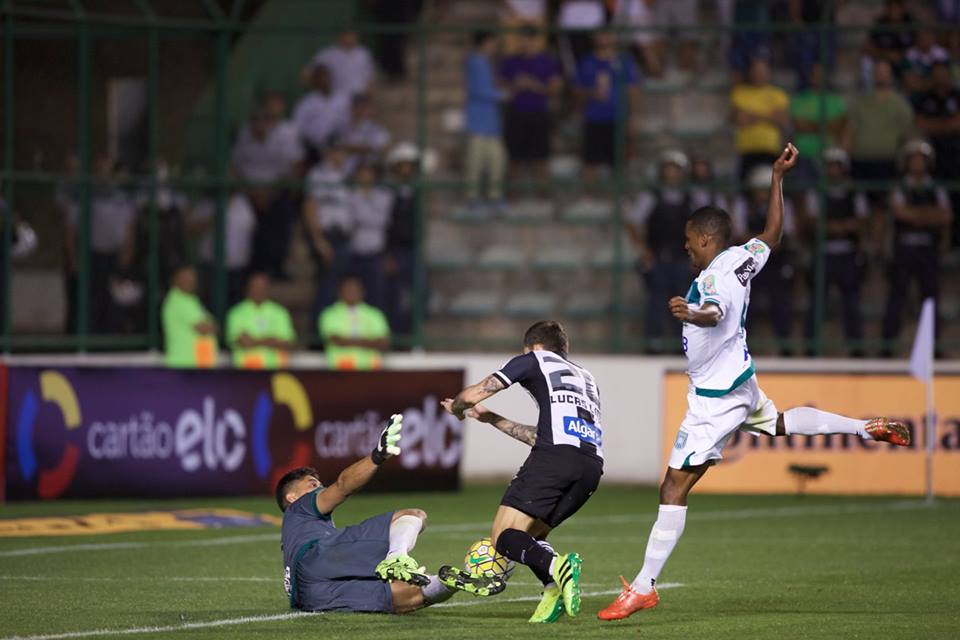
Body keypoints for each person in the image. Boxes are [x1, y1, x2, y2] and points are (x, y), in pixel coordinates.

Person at [597, 145, 911, 621]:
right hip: (742, 380)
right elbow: (773, 233)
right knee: (779, 422)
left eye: (688, 239)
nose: (684, 246)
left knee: (673, 488)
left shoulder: (708, 282)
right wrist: (776, 179)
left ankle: (643, 587)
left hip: (715, 399)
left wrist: (690, 311)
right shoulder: (742, 258)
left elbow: (715, 311)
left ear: (705, 239)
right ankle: (862, 427)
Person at [441, 320, 604, 623]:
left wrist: (459, 409)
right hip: (590, 468)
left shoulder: (533, 360)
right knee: (532, 535)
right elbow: (540, 435)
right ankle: (552, 591)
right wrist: (491, 419)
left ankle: (557, 567)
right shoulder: (586, 378)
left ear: (533, 346)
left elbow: (473, 393)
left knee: (504, 536)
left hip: (553, 461)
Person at [278, 414, 503, 614]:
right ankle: (397, 556)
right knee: (412, 515)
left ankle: (445, 583)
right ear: (292, 497)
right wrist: (377, 456)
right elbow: (343, 485)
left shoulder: (294, 532)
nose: (319, 487)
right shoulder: (301, 506)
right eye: (312, 484)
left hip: (307, 596)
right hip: (315, 557)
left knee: (406, 598)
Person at [626, 150, 709, 352]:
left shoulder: (694, 197)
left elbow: (705, 225)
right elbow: (632, 222)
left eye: (676, 170)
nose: (672, 174)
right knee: (656, 301)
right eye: (669, 169)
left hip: (684, 259)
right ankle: (652, 345)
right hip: (659, 257)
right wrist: (646, 251)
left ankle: (683, 346)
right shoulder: (651, 196)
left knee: (685, 303)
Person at [881, 140, 953, 355]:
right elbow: (899, 212)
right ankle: (888, 345)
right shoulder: (900, 186)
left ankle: (933, 347)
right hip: (904, 249)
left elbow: (946, 216)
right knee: (897, 297)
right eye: (913, 159)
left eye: (921, 159)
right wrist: (929, 216)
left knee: (930, 300)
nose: (917, 163)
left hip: (928, 250)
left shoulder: (936, 188)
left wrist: (916, 215)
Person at [802, 147, 868, 357]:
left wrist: (833, 226)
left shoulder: (854, 193)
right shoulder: (816, 193)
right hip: (824, 254)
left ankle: (856, 349)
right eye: (829, 166)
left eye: (836, 166)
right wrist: (840, 227)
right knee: (816, 304)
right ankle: (811, 348)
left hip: (848, 254)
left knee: (852, 303)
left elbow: (862, 222)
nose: (833, 170)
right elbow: (811, 223)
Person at [231, 93, 304, 280]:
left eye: (264, 122)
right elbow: (235, 168)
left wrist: (270, 193)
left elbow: (292, 169)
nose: (259, 126)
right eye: (255, 122)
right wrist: (251, 192)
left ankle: (277, 266)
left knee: (282, 216)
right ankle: (252, 268)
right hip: (248, 193)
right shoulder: (245, 137)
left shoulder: (281, 137)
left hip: (276, 192)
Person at [731, 164, 797, 356]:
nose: (761, 194)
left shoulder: (783, 205)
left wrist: (762, 241)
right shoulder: (743, 206)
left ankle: (785, 347)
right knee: (745, 305)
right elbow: (739, 235)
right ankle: (740, 349)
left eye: (765, 189)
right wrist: (766, 240)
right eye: (758, 189)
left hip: (774, 262)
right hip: (749, 264)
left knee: (780, 303)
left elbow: (786, 235)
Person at [843, 60, 915, 209]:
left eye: (884, 72)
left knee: (885, 207)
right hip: (861, 163)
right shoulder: (860, 104)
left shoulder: (900, 105)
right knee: (863, 207)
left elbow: (907, 136)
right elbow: (850, 134)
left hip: (888, 163)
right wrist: (845, 161)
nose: (881, 75)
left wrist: (904, 162)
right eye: (878, 72)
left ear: (890, 75)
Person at [574, 30, 642, 182]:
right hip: (594, 119)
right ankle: (590, 201)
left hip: (618, 119)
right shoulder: (587, 62)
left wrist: (634, 117)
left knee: (619, 165)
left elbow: (634, 91)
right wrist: (592, 92)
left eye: (607, 34)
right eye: (600, 34)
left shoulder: (625, 61)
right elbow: (577, 92)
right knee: (590, 164)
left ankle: (617, 202)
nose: (604, 38)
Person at [499, 25, 562, 188]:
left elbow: (555, 88)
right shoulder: (510, 61)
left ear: (535, 41)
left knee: (540, 160)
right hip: (516, 114)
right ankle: (511, 200)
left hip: (538, 114)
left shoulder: (547, 61)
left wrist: (535, 86)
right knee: (514, 160)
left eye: (527, 40)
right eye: (521, 40)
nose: (524, 43)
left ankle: (545, 199)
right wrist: (515, 85)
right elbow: (500, 87)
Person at [303, 144, 353, 321]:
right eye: (336, 151)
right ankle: (317, 337)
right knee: (327, 287)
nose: (339, 155)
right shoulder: (318, 174)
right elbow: (310, 206)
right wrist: (318, 240)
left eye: (342, 151)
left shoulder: (346, 173)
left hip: (344, 235)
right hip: (326, 235)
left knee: (340, 285)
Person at [913, 61, 960, 244]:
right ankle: (939, 246)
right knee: (935, 203)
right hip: (931, 161)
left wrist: (934, 125)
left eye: (943, 74)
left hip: (956, 159)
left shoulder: (957, 96)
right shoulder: (923, 99)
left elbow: (957, 124)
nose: (940, 79)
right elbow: (919, 125)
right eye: (936, 75)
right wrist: (948, 125)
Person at [464, 30, 507, 208]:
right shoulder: (475, 61)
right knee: (475, 161)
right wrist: (503, 95)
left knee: (498, 158)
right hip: (478, 119)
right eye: (493, 42)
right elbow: (480, 90)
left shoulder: (487, 63)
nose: (495, 46)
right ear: (485, 42)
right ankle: (472, 197)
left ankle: (494, 195)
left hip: (491, 121)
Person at [731, 56, 790, 182]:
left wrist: (752, 115)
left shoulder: (778, 94)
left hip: (771, 149)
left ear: (768, 73)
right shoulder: (740, 92)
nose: (759, 75)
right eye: (756, 72)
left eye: (762, 72)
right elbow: (741, 119)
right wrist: (767, 115)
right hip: (747, 149)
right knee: (746, 189)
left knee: (773, 188)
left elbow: (780, 119)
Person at [789, 62, 847, 189]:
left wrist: (812, 125)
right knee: (802, 189)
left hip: (830, 156)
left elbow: (839, 126)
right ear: (810, 77)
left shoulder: (835, 100)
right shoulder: (800, 99)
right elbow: (799, 125)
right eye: (815, 75)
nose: (818, 78)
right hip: (804, 155)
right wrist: (826, 125)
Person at [383, 143, 421, 338]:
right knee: (396, 297)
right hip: (396, 251)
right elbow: (385, 225)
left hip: (412, 251)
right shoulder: (388, 192)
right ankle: (396, 337)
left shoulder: (416, 191)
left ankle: (410, 337)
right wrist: (387, 254)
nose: (407, 169)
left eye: (410, 165)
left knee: (415, 296)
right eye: (403, 165)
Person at [346, 161, 394, 309]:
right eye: (362, 174)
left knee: (376, 295)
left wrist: (363, 217)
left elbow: (381, 220)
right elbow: (351, 219)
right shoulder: (350, 195)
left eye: (368, 174)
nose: (365, 177)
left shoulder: (385, 195)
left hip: (375, 253)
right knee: (353, 293)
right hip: (355, 252)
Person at [225, 272, 296, 369]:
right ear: (247, 288)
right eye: (255, 287)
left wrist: (255, 341)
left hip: (275, 373)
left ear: (269, 289)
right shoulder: (236, 313)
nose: (259, 291)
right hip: (245, 374)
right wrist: (270, 340)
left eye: (262, 287)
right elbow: (243, 342)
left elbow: (289, 343)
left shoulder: (280, 312)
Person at [319, 275, 390, 371]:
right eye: (348, 289)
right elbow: (335, 340)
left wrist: (348, 341)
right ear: (340, 292)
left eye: (355, 289)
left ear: (362, 292)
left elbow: (383, 342)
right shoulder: (330, 314)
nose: (352, 292)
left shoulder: (374, 314)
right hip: (340, 371)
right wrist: (368, 342)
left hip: (371, 370)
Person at [292, 64, 351, 163]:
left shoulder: (343, 99)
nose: (324, 80)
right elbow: (298, 128)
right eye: (320, 78)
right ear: (315, 81)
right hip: (314, 148)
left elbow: (350, 121)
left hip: (340, 145)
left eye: (326, 76)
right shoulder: (306, 102)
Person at [162, 265, 217, 368]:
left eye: (192, 277)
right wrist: (211, 325)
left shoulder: (191, 300)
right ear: (175, 280)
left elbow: (213, 326)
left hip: (198, 364)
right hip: (183, 365)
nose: (190, 280)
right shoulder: (177, 301)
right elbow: (204, 328)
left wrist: (211, 325)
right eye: (185, 277)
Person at [861, 0, 915, 86]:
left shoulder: (910, 22)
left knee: (912, 58)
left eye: (897, 8)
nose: (894, 11)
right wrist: (887, 55)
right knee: (867, 61)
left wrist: (900, 55)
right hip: (883, 59)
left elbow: (916, 45)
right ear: (886, 9)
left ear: (902, 9)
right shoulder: (880, 23)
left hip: (904, 60)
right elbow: (868, 47)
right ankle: (870, 91)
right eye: (891, 8)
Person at [309, 28, 375, 97]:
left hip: (359, 96)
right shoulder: (328, 53)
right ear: (341, 36)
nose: (351, 38)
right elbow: (308, 73)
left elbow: (370, 76)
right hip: (336, 95)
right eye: (348, 35)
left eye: (353, 35)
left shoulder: (363, 53)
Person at [342, 93, 392, 174]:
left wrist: (354, 148)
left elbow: (384, 145)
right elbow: (339, 147)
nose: (360, 110)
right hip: (348, 169)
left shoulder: (373, 127)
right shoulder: (344, 125)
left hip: (369, 168)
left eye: (363, 107)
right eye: (357, 107)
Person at [902, 30, 951, 95]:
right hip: (918, 87)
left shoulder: (941, 53)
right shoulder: (910, 54)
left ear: (933, 39)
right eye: (922, 39)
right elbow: (908, 77)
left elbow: (946, 76)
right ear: (917, 40)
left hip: (935, 87)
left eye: (927, 38)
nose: (925, 41)